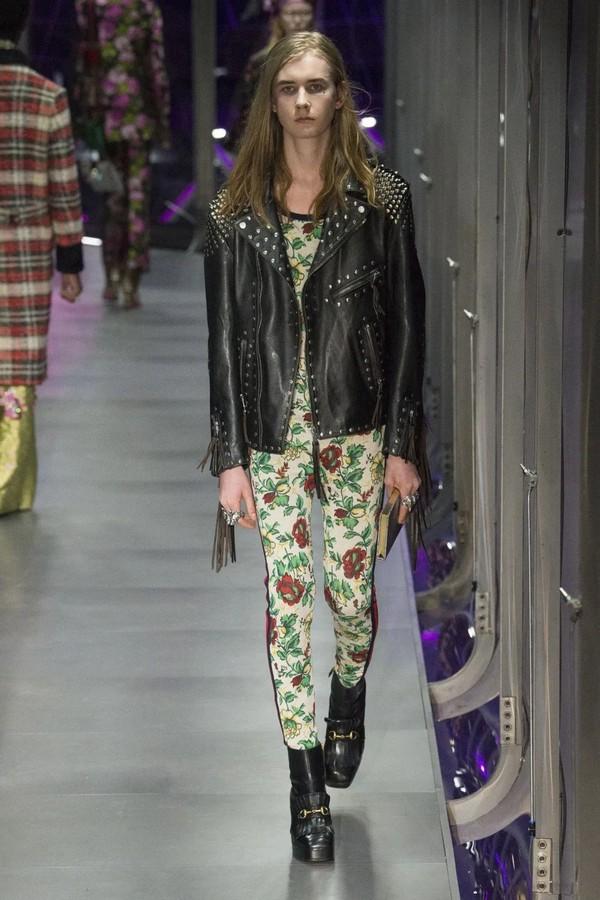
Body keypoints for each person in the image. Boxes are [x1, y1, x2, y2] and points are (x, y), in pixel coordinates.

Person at [203, 32, 431, 863]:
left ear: (340, 97)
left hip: (356, 421)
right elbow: (222, 340)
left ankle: (350, 688)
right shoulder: (233, 211)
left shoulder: (382, 198)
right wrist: (230, 458)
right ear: (270, 100)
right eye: (289, 87)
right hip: (272, 430)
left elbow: (408, 326)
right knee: (289, 603)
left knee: (350, 593)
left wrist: (404, 441)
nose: (303, 102)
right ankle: (305, 787)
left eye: (317, 86)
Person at [0, 0, 83, 515]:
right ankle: (9, 486)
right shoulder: (46, 96)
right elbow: (64, 186)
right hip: (25, 245)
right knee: (16, 360)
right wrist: (70, 265)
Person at [74, 0, 171, 308]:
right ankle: (131, 278)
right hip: (137, 112)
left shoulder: (90, 5)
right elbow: (155, 65)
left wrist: (83, 113)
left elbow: (83, 60)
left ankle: (112, 274)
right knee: (136, 198)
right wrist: (163, 117)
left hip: (103, 112)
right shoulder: (144, 7)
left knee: (111, 197)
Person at [226, 0, 316, 152]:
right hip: (273, 138)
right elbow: (250, 107)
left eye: (305, 14)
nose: (298, 20)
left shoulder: (323, 58)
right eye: (291, 14)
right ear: (279, 18)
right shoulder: (262, 61)